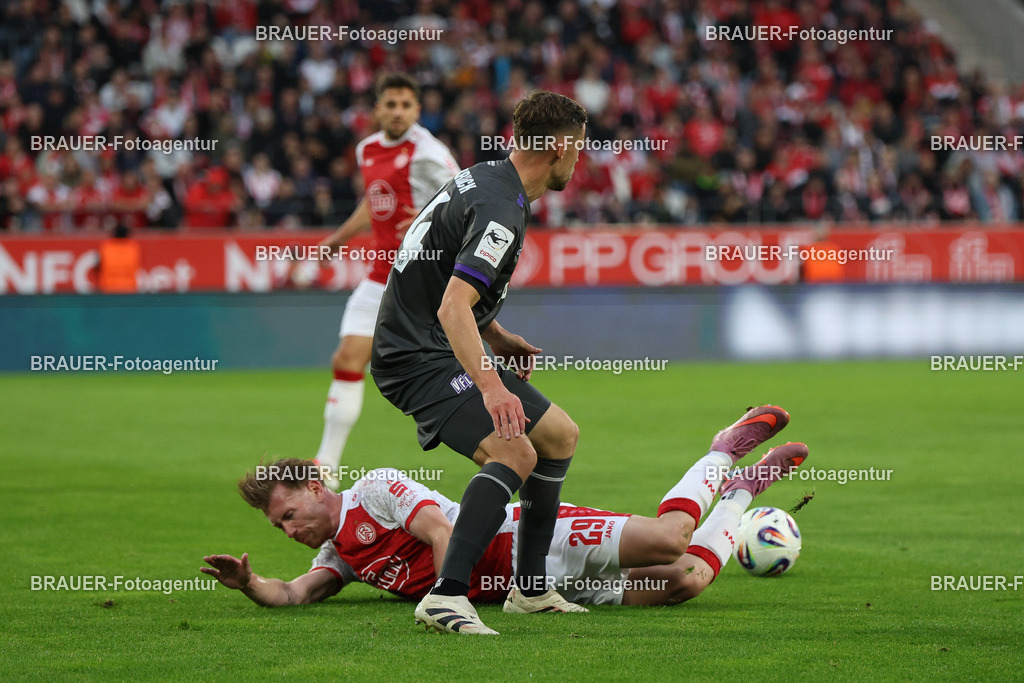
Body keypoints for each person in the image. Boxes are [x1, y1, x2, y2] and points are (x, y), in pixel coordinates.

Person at [202, 407, 806, 620]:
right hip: (528, 591)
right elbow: (295, 594)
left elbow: (443, 530)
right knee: (685, 582)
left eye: (287, 514)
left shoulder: (375, 491)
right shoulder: (340, 555)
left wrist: (448, 598)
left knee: (674, 540)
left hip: (533, 539)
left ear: (312, 484)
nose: (289, 530)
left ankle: (723, 450)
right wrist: (251, 584)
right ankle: (743, 492)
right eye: (279, 527)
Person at [369, 90, 591, 633]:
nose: (580, 160)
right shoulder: (501, 209)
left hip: (433, 340)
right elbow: (451, 305)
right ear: (559, 148)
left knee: (558, 436)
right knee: (514, 451)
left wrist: (496, 332)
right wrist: (493, 387)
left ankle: (532, 590)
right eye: (579, 149)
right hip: (415, 357)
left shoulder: (488, 179)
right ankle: (446, 596)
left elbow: (451, 283)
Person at [313, 73, 459, 490]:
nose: (397, 112)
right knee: (346, 360)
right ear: (377, 109)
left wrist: (431, 217)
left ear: (417, 111)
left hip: (420, 277)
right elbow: (374, 200)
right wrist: (338, 239)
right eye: (390, 104)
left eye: (406, 105)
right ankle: (326, 464)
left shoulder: (428, 151)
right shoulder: (367, 149)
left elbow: (470, 195)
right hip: (379, 274)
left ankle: (495, 440)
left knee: (437, 368)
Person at [93, 224, 141, 293]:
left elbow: (97, 267)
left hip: (108, 288)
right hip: (129, 289)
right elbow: (136, 267)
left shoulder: (105, 247)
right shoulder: (133, 247)